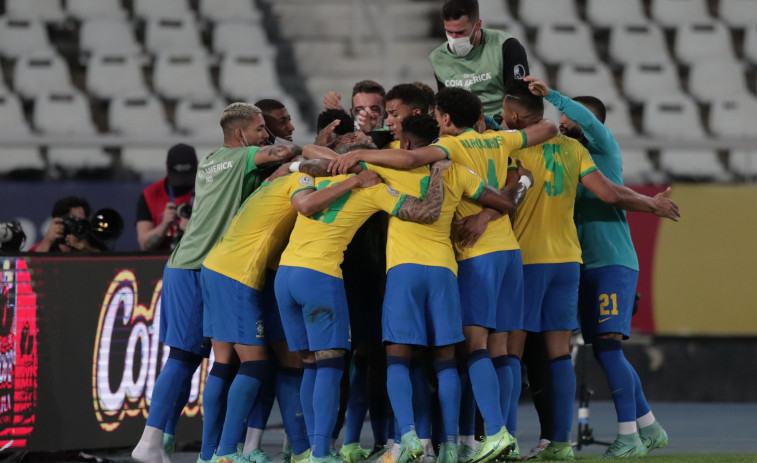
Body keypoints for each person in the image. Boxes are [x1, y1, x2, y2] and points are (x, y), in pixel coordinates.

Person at [329, 89, 556, 463]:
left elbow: (408, 157)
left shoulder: (437, 155)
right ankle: (465, 441)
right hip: (493, 257)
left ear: (445, 121)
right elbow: (536, 148)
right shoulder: (493, 143)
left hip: (457, 260)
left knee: (409, 357)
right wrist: (519, 183)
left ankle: (414, 440)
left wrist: (358, 152)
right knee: (479, 354)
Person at [498, 80, 679, 460]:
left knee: (528, 350)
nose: (562, 122)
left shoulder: (599, 149)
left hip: (597, 261)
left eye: (569, 118)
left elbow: (614, 193)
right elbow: (612, 194)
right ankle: (642, 426)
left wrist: (551, 97)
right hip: (573, 263)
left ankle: (511, 438)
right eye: (559, 117)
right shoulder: (574, 155)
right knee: (573, 353)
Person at [132, 102, 301, 463]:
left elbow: (266, 180)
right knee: (185, 356)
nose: (265, 135)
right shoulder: (243, 158)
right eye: (259, 130)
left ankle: (182, 444)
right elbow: (284, 152)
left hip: (195, 265)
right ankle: (149, 442)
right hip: (197, 266)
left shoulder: (212, 159)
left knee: (207, 360)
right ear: (241, 134)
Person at [198, 162, 382, 463]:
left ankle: (214, 454)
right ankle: (227, 453)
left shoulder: (269, 182)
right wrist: (356, 181)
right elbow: (306, 203)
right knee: (256, 365)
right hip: (240, 274)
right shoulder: (302, 180)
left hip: (222, 266)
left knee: (227, 361)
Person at [274, 154, 452, 463]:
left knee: (309, 366)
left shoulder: (319, 179)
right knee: (330, 366)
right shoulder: (372, 187)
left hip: (285, 275)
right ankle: (321, 453)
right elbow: (425, 211)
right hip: (319, 276)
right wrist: (437, 172)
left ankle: (305, 452)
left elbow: (308, 156)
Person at [429, 0, 529, 123]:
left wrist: (497, 137)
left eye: (460, 32)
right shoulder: (437, 58)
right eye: (449, 32)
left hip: (503, 126)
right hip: (461, 130)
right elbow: (445, 107)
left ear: (478, 25)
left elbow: (518, 101)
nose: (454, 39)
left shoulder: (506, 47)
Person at [136, 143, 198, 251]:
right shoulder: (150, 194)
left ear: (197, 165)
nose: (182, 182)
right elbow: (144, 246)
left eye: (186, 176)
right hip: (159, 262)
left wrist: (194, 230)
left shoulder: (207, 192)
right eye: (178, 177)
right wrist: (164, 225)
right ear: (166, 166)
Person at [31, 196, 102, 253]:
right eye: (74, 219)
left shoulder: (88, 246)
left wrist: (88, 250)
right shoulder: (43, 246)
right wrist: (47, 241)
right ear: (59, 221)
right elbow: (29, 267)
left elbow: (107, 265)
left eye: (82, 220)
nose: (79, 224)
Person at [384, 84, 430, 149]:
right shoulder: (383, 145)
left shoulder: (440, 143)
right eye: (387, 115)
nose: (387, 123)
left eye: (395, 115)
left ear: (416, 114)